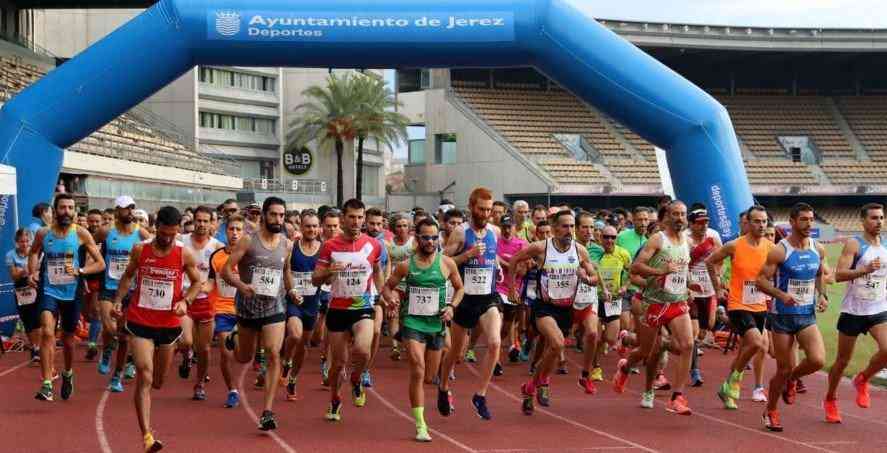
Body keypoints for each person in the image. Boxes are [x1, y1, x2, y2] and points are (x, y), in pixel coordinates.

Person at [111, 206, 202, 452]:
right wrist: (118, 301)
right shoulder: (141, 250)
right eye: (164, 233)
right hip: (140, 320)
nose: (168, 238)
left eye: (173, 234)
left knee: (159, 381)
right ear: (156, 227)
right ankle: (147, 436)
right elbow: (128, 277)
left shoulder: (184, 254)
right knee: (144, 373)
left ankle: (149, 421)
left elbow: (197, 282)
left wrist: (186, 301)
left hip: (169, 325)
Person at [509, 210, 601, 414]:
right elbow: (515, 260)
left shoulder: (580, 251)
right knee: (558, 343)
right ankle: (540, 383)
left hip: (566, 308)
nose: (569, 231)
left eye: (572, 227)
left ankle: (532, 386)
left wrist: (587, 279)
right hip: (544, 307)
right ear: (555, 228)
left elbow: (595, 278)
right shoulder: (541, 248)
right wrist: (512, 288)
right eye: (565, 226)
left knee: (554, 350)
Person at [383, 218, 465, 442]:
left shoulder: (447, 263)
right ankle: (420, 425)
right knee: (417, 370)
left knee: (429, 377)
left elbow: (459, 289)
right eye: (425, 237)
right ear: (416, 238)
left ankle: (442, 389)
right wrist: (391, 301)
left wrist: (451, 307)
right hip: (412, 323)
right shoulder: (406, 266)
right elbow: (387, 288)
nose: (430, 241)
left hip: (436, 324)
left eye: (434, 237)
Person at [613, 201, 695, 415]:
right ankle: (625, 367)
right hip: (652, 304)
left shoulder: (687, 241)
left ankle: (677, 397)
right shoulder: (658, 239)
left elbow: (682, 269)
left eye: (683, 214)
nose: (679, 218)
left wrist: (688, 284)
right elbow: (635, 267)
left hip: (676, 302)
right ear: (667, 216)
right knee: (648, 351)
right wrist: (660, 272)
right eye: (675, 214)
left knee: (687, 345)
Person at [756, 202, 828, 432]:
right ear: (792, 222)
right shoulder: (780, 250)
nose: (809, 224)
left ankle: (792, 380)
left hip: (806, 313)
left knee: (817, 360)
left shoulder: (819, 249)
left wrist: (823, 295)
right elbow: (761, 280)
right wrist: (781, 294)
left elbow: (819, 274)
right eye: (804, 220)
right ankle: (772, 410)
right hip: (782, 316)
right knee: (783, 368)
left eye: (811, 219)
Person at [223, 196, 293, 431]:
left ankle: (267, 411)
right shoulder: (248, 241)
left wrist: (292, 291)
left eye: (282, 215)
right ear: (264, 215)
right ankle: (235, 338)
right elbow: (226, 270)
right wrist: (241, 286)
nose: (278, 219)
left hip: (275, 306)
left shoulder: (286, 243)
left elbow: (286, 271)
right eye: (274, 214)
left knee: (273, 353)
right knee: (244, 356)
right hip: (248, 307)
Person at [312, 198, 385, 422]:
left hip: (362, 306)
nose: (356, 222)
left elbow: (378, 271)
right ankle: (335, 399)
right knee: (338, 364)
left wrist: (381, 295)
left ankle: (356, 377)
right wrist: (328, 272)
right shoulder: (329, 246)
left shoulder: (374, 245)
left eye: (360, 217)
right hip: (338, 309)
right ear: (343, 218)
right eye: (351, 217)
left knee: (363, 350)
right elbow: (315, 279)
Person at [29, 193, 106, 401]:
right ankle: (46, 383)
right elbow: (34, 252)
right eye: (63, 208)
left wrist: (80, 271)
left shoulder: (81, 234)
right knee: (46, 331)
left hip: (72, 292)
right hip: (49, 289)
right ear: (55, 210)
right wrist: (33, 271)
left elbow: (100, 263)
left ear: (75, 211)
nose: (67, 212)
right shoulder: (44, 234)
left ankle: (68, 372)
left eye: (71, 208)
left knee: (69, 340)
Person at [438, 187, 502, 420]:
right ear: (472, 207)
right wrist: (467, 256)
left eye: (489, 209)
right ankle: (443, 387)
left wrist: (498, 266)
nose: (486, 213)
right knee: (456, 352)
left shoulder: (495, 231)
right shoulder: (460, 233)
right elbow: (443, 263)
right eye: (482, 209)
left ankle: (480, 395)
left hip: (488, 296)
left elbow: (493, 256)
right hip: (464, 298)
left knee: (494, 343)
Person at [824, 203, 887, 423]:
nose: (878, 222)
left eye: (881, 217)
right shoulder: (854, 244)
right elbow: (839, 275)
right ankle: (830, 398)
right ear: (863, 221)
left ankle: (863, 379)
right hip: (853, 311)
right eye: (873, 218)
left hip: (878, 309)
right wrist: (865, 270)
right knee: (842, 361)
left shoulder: (886, 245)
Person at [706, 205, 771, 409]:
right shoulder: (734, 245)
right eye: (757, 221)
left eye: (764, 221)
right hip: (738, 303)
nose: (761, 225)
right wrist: (718, 288)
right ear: (748, 223)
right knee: (757, 343)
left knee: (747, 348)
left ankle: (727, 389)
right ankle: (734, 381)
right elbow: (710, 261)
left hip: (759, 304)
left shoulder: (770, 247)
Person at [96, 196, 151, 393]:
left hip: (131, 289)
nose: (129, 212)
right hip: (109, 287)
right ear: (117, 210)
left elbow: (156, 247)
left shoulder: (140, 233)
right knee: (110, 328)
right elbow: (88, 246)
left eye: (132, 208)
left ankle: (116, 376)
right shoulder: (106, 232)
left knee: (124, 336)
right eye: (125, 209)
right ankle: (107, 351)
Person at [178, 206, 224, 400]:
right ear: (193, 221)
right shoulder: (181, 241)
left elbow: (220, 274)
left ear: (212, 223)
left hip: (206, 301)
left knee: (204, 349)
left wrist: (209, 287)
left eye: (206, 221)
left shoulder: (216, 247)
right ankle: (186, 357)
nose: (202, 225)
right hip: (184, 299)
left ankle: (199, 384)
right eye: (199, 220)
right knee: (186, 341)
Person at [282, 210, 323, 400]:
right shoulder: (292, 247)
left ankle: (293, 380)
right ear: (301, 227)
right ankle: (286, 361)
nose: (311, 229)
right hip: (295, 301)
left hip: (312, 303)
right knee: (295, 334)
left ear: (319, 228)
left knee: (304, 345)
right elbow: (287, 270)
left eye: (315, 226)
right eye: (308, 226)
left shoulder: (323, 249)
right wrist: (291, 291)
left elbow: (326, 275)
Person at [207, 215, 244, 408]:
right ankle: (232, 390)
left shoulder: (249, 257)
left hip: (245, 312)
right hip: (222, 310)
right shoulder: (217, 256)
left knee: (242, 354)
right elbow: (210, 283)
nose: (235, 233)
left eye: (239, 229)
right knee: (225, 350)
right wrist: (192, 291)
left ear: (243, 232)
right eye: (232, 229)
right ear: (225, 231)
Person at [587, 225, 631, 385]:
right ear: (600, 238)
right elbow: (591, 271)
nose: (609, 240)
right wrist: (601, 288)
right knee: (596, 338)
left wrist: (625, 287)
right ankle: (595, 367)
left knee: (611, 338)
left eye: (613, 237)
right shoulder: (595, 253)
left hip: (613, 300)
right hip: (596, 299)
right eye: (606, 237)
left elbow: (631, 272)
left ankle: (603, 347)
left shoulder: (623, 254)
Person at [684, 205, 722, 387]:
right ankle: (694, 370)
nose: (703, 226)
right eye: (699, 223)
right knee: (692, 333)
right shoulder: (684, 239)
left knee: (707, 327)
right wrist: (687, 285)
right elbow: (680, 264)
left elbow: (720, 258)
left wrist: (719, 278)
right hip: (690, 291)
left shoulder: (713, 237)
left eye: (706, 222)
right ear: (690, 224)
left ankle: (679, 346)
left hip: (708, 290)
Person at [362, 208, 391, 388]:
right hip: (357, 292)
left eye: (379, 224)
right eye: (372, 223)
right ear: (365, 222)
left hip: (375, 292)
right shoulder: (361, 242)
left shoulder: (382, 246)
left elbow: (387, 265)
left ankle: (366, 369)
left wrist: (385, 284)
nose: (375, 227)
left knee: (376, 331)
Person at [496, 214, 528, 373]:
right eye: (504, 227)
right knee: (497, 322)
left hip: (513, 291)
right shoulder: (495, 242)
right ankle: (495, 361)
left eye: (510, 227)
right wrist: (511, 264)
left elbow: (523, 270)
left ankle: (497, 347)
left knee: (505, 329)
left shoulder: (522, 244)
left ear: (515, 227)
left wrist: (504, 263)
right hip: (496, 289)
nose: (507, 230)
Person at [7, 228, 40, 362]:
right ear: (16, 242)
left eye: (27, 241)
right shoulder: (10, 255)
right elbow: (14, 276)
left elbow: (38, 271)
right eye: (21, 241)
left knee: (38, 318)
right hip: (21, 289)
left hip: (36, 287)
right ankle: (34, 347)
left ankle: (38, 347)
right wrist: (23, 272)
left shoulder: (36, 252)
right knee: (27, 319)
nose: (25, 244)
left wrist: (28, 271)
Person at [387, 213, 415, 361]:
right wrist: (388, 280)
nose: (402, 228)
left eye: (405, 225)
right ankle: (395, 346)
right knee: (394, 312)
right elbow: (388, 264)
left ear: (409, 227)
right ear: (393, 228)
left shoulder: (414, 242)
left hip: (411, 284)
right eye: (399, 226)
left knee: (408, 316)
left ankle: (408, 343)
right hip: (396, 284)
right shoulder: (389, 244)